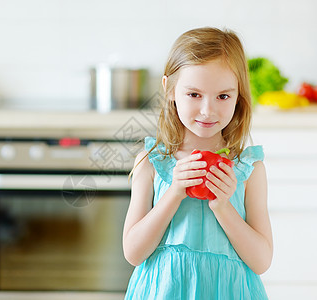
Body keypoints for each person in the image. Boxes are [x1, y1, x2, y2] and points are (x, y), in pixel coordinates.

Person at [122, 27, 273, 299]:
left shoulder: (249, 170)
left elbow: (261, 261)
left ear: (238, 96)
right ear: (169, 89)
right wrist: (175, 192)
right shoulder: (152, 162)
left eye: (223, 96)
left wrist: (223, 206)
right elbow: (133, 253)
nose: (207, 110)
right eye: (194, 95)